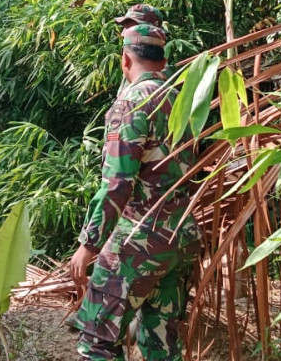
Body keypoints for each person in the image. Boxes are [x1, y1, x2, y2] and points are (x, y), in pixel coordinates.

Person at [67, 24, 202, 361]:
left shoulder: (131, 103)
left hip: (140, 239)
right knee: (161, 342)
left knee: (96, 341)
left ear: (125, 59)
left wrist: (90, 244)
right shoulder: (183, 96)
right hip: (182, 236)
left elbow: (117, 184)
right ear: (164, 59)